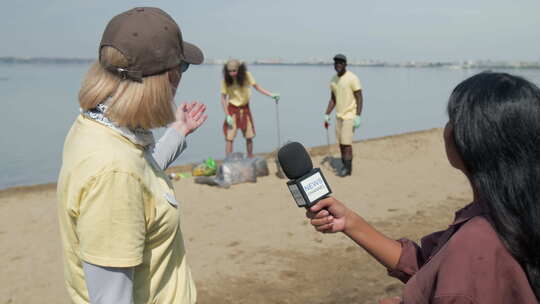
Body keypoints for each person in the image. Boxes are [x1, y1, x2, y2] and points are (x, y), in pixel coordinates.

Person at [308, 72, 540, 303]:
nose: (446, 129)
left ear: (471, 140)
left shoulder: (475, 242)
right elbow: (427, 266)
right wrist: (349, 221)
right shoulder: (510, 212)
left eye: (452, 120)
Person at [57, 7, 208, 304]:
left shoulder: (94, 126)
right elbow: (111, 299)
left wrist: (177, 132)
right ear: (167, 80)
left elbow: (141, 182)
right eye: (181, 69)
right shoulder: (114, 172)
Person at [221, 59, 280, 158]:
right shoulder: (225, 80)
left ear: (239, 69)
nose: (232, 73)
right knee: (229, 137)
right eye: (230, 71)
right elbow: (223, 99)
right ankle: (228, 159)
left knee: (249, 135)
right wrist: (227, 115)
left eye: (234, 70)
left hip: (245, 109)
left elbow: (257, 87)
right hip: (232, 109)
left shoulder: (246, 76)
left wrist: (271, 95)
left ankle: (250, 156)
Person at [324, 53, 363, 177]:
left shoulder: (352, 78)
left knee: (347, 144)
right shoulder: (333, 80)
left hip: (350, 116)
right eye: (336, 63)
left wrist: (358, 116)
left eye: (341, 62)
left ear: (345, 64)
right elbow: (333, 99)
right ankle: (344, 164)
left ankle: (348, 168)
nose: (338, 65)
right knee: (341, 143)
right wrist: (327, 114)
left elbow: (359, 97)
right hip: (339, 116)